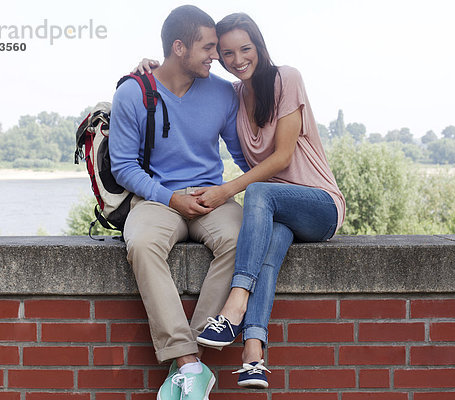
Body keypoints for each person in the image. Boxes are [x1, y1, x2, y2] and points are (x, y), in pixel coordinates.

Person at [137, 11, 345, 391]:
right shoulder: (231, 95)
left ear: (259, 47)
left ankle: (234, 307)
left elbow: (281, 158)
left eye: (244, 49)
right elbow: (177, 76)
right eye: (226, 52)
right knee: (269, 247)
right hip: (274, 212)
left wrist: (226, 190)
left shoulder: (287, 78)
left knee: (260, 194)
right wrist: (150, 68)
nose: (235, 59)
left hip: (318, 204)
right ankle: (253, 355)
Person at [110, 5, 250, 400]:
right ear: (179, 47)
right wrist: (170, 197)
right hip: (157, 198)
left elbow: (241, 155)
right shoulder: (132, 93)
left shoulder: (224, 92)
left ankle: (189, 360)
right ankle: (190, 364)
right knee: (140, 243)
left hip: (212, 197)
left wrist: (249, 187)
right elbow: (122, 166)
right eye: (207, 48)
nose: (216, 56)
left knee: (244, 238)